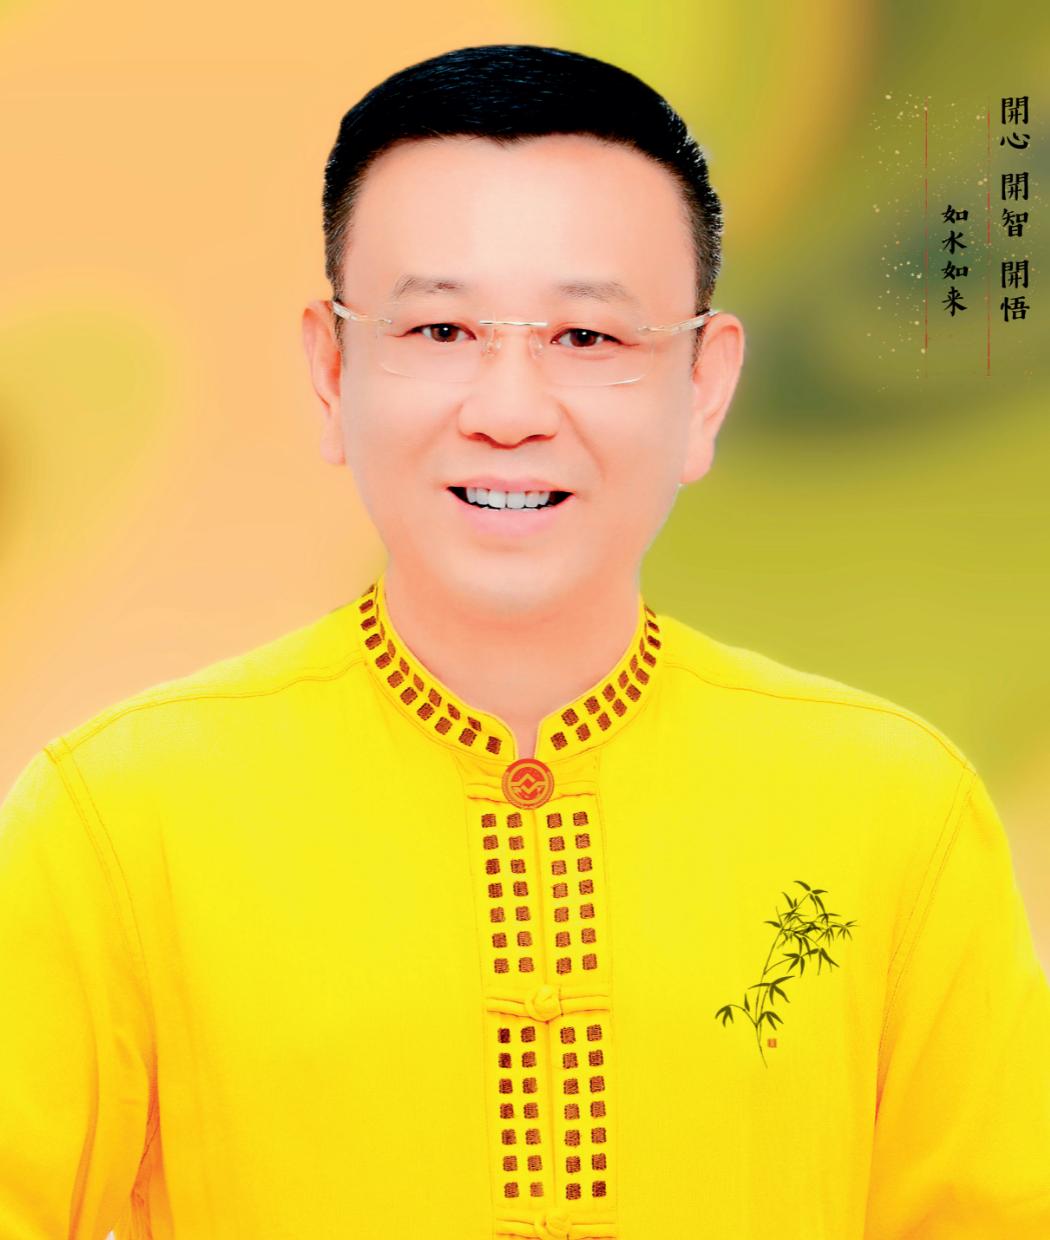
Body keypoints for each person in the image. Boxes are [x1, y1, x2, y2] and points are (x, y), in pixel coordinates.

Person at [1, 42, 1048, 1240]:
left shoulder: (896, 813)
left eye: (588, 338)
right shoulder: (119, 820)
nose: (508, 411)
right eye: (441, 330)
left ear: (704, 387)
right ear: (332, 369)